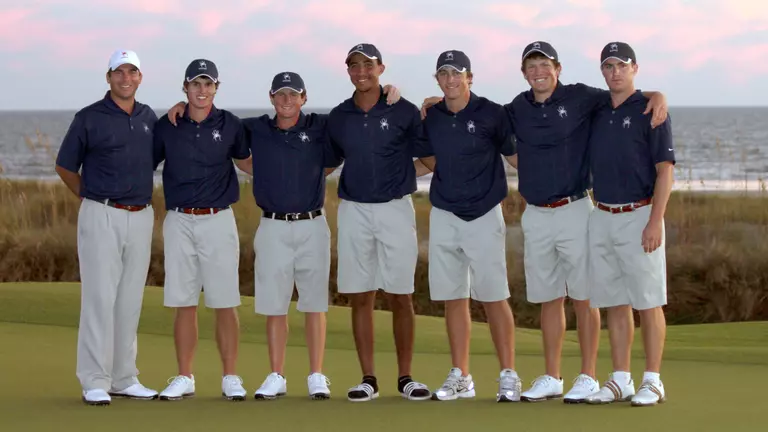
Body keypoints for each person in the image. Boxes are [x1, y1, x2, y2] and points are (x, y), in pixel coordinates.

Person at [421, 41, 667, 403]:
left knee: (585, 297)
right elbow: (473, 114)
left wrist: (656, 94)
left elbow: (623, 93)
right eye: (531, 67)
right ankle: (552, 376)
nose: (539, 72)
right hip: (536, 213)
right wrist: (432, 103)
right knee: (549, 297)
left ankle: (587, 375)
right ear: (523, 73)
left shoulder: (582, 97)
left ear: (558, 68)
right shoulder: (515, 109)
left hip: (575, 208)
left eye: (545, 65)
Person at [165, 70, 402, 401]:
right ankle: (277, 374)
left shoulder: (320, 126)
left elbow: (345, 141)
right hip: (272, 225)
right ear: (271, 98)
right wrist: (180, 105)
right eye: (281, 94)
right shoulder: (255, 128)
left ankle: (316, 374)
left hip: (312, 224)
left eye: (294, 95)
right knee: (275, 306)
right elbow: (214, 121)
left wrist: (387, 90)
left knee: (314, 304)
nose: (287, 100)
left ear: (304, 98)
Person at [325, 43, 432, 402]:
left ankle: (406, 377)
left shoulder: (403, 111)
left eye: (367, 65)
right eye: (354, 66)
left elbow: (429, 155)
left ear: (381, 68)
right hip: (354, 210)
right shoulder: (339, 116)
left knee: (401, 294)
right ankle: (368, 378)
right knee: (361, 296)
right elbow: (323, 161)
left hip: (395, 209)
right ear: (348, 71)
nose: (361, 72)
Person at [416, 50, 522, 402]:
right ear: (438, 79)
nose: (450, 80)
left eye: (456, 73)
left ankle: (508, 373)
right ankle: (461, 374)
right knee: (453, 297)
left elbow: (514, 157)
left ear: (470, 77)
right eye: (443, 74)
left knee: (494, 295)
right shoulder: (432, 116)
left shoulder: (493, 113)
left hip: (483, 214)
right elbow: (426, 157)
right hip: (445, 214)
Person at [55, 49, 159, 405]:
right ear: (109, 76)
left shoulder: (149, 117)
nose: (125, 78)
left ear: (140, 78)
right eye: (119, 72)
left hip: (141, 215)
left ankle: (124, 377)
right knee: (100, 298)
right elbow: (65, 166)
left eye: (132, 72)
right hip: (101, 213)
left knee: (129, 300)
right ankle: (95, 380)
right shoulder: (89, 118)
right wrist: (92, 197)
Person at [152, 59, 250, 401]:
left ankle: (230, 376)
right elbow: (143, 160)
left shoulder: (232, 124)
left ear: (216, 88)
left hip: (218, 219)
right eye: (196, 84)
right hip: (179, 220)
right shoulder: (167, 125)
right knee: (184, 302)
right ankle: (184, 376)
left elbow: (250, 160)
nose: (202, 90)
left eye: (208, 84)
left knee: (225, 302)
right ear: (185, 87)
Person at [584, 42, 674, 407]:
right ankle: (621, 377)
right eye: (608, 66)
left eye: (621, 65)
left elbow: (665, 172)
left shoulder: (652, 110)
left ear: (634, 68)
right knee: (615, 303)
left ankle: (652, 380)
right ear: (602, 72)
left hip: (640, 215)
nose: (615, 72)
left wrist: (655, 221)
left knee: (648, 301)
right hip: (601, 214)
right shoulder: (596, 109)